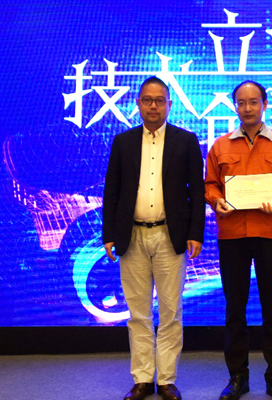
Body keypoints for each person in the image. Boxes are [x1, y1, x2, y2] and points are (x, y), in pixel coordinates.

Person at [103, 76, 205, 400]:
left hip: (169, 236)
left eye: (159, 100)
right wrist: (108, 234)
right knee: (138, 313)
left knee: (171, 312)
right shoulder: (123, 142)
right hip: (131, 235)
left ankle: (167, 380)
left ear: (169, 105)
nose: (153, 106)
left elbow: (197, 192)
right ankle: (143, 379)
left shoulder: (185, 141)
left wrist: (195, 233)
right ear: (138, 104)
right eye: (147, 100)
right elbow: (112, 191)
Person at [205, 80, 272, 400]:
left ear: (264, 104)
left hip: (270, 233)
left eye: (253, 102)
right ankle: (237, 377)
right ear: (235, 106)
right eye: (241, 103)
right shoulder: (220, 146)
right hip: (232, 234)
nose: (247, 108)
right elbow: (210, 184)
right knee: (235, 309)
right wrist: (216, 199)